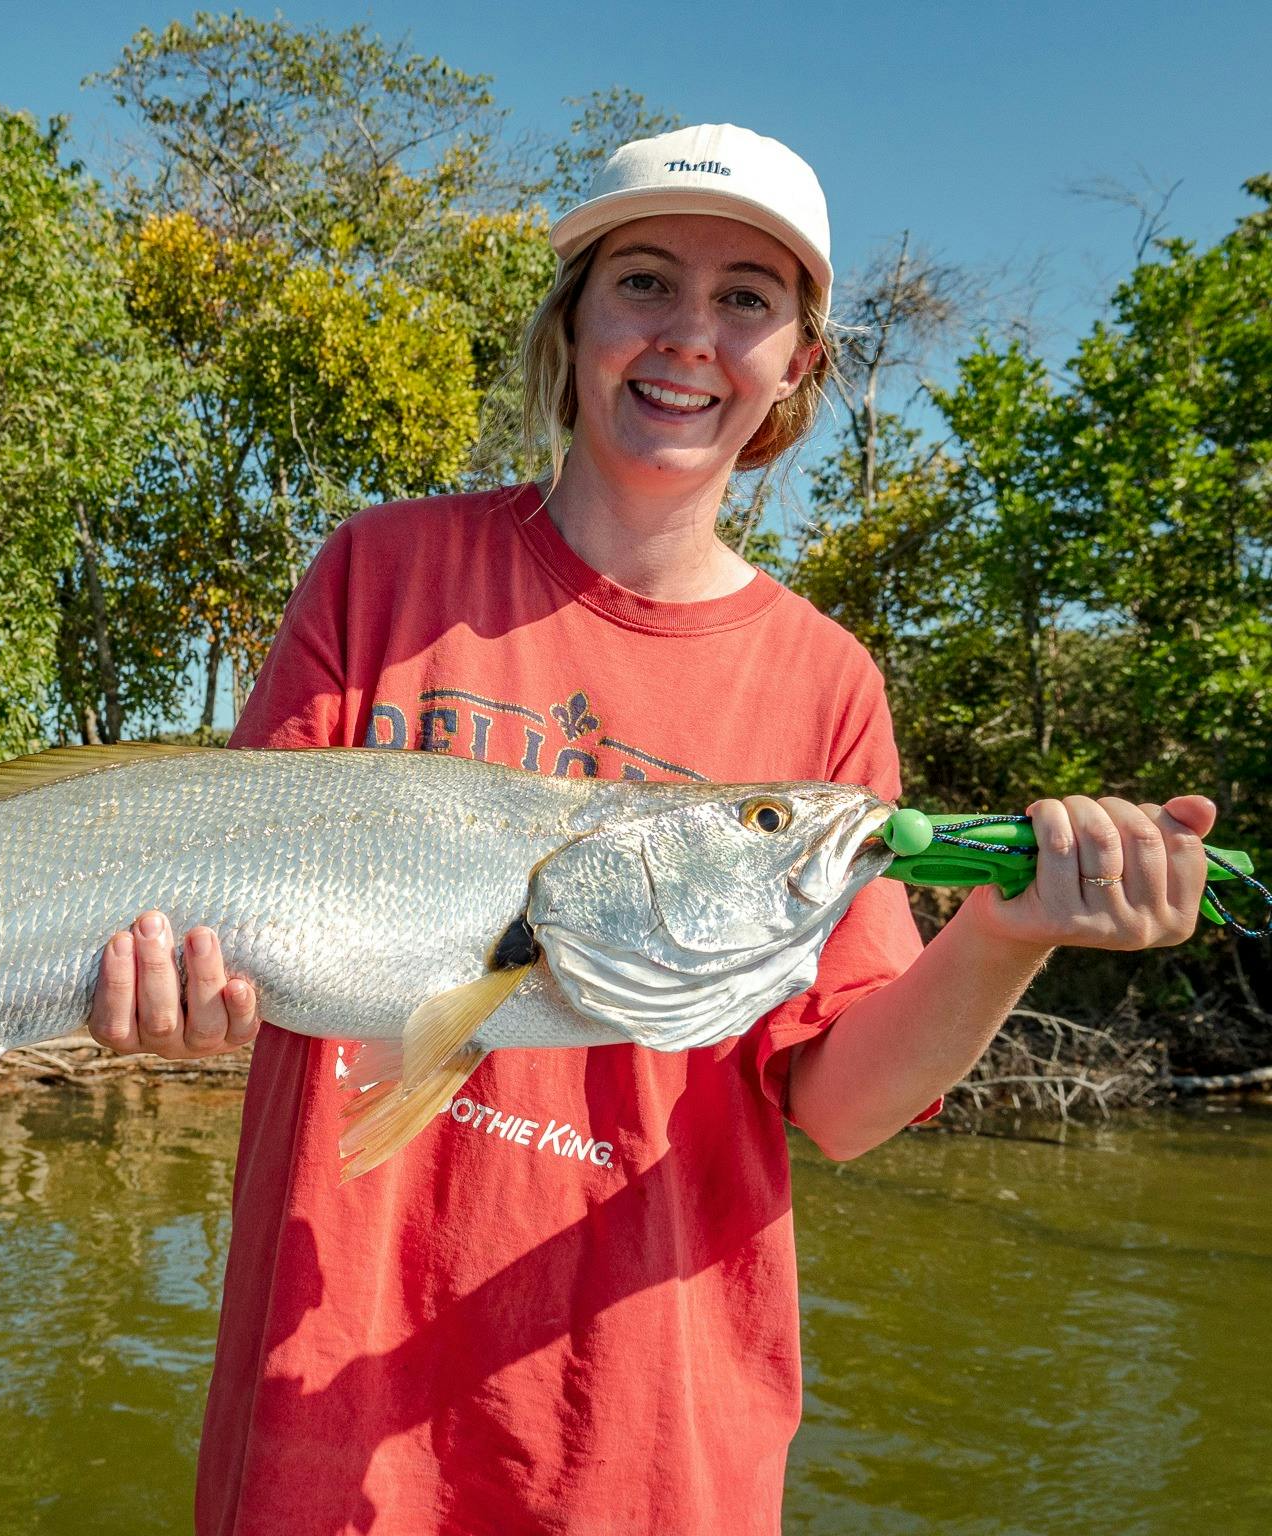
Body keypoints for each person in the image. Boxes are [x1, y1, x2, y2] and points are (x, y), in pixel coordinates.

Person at [87, 123, 1216, 1535]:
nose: (690, 334)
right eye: (643, 282)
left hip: (648, 1447)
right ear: (572, 323)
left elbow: (843, 1105)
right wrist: (182, 995)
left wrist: (1010, 932)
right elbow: (225, 912)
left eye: (747, 297)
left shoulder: (826, 683)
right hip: (325, 1412)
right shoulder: (381, 573)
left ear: (797, 362)